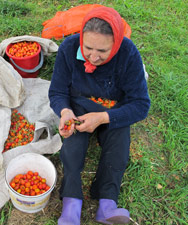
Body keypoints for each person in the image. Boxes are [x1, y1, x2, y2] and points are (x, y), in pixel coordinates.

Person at [48, 6, 150, 225]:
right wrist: (65, 112)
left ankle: (107, 205)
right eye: (88, 48)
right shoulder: (68, 48)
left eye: (102, 51)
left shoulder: (128, 54)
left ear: (116, 44)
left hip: (113, 108)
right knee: (72, 146)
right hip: (78, 104)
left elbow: (141, 104)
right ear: (81, 38)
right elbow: (57, 92)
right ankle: (71, 205)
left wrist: (103, 118)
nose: (93, 57)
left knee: (119, 143)